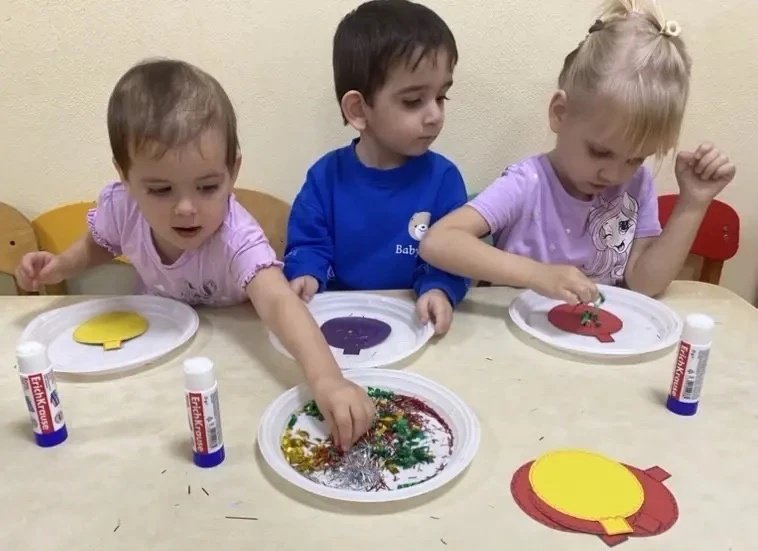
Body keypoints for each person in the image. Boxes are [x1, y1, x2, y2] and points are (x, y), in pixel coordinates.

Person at [15, 59, 374, 450]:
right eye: (160, 190)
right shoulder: (122, 208)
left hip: (232, 355)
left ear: (232, 171)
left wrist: (328, 379)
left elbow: (278, 301)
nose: (186, 208)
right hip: (158, 352)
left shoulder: (236, 236)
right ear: (125, 177)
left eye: (207, 187)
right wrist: (60, 266)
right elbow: (99, 244)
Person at [420, 0, 735, 304]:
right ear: (560, 113)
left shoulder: (636, 184)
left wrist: (692, 204)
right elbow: (439, 241)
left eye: (635, 158)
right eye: (600, 152)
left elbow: (644, 284)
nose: (614, 174)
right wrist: (537, 275)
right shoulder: (527, 183)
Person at [283, 0, 470, 335]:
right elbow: (308, 247)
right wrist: (305, 275)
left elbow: (453, 257)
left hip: (414, 324)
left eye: (442, 96)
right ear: (358, 109)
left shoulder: (444, 180)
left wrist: (439, 289)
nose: (435, 115)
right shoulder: (325, 178)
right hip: (338, 324)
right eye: (413, 101)